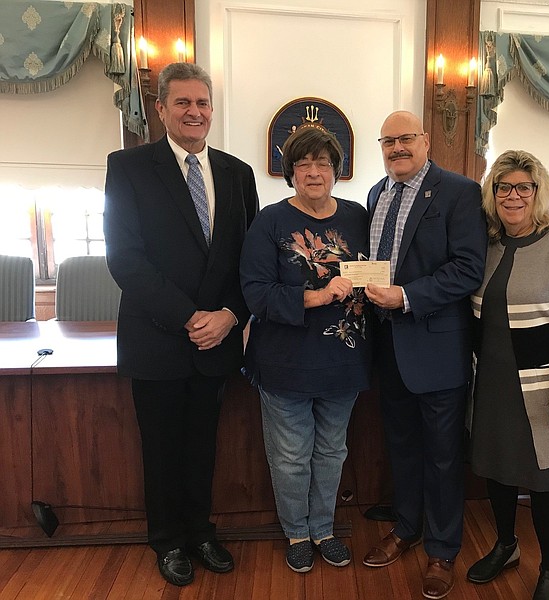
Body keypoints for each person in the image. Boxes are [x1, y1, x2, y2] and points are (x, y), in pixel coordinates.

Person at [103, 62, 258, 586]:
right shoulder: (128, 168)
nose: (195, 112)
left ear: (212, 109)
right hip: (158, 337)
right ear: (162, 108)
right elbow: (126, 260)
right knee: (161, 447)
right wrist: (192, 317)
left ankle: (200, 531)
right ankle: (167, 541)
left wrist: (231, 315)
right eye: (184, 103)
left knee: (203, 446)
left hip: (219, 340)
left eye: (203, 103)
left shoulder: (238, 174)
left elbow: (252, 261)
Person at [361, 111, 487, 600]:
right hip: (387, 348)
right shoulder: (377, 193)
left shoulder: (458, 192)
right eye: (388, 140)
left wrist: (406, 297)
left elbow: (468, 268)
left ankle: (442, 550)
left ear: (426, 140)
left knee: (442, 456)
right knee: (403, 448)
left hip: (436, 349)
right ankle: (406, 527)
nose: (397, 147)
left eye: (405, 138)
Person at [466, 150, 549, 600]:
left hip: (545, 390)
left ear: (539, 192)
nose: (514, 196)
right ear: (493, 193)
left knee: (546, 482)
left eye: (524, 187)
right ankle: (506, 546)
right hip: (493, 385)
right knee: (499, 473)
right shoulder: (487, 241)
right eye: (504, 187)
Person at [239, 125, 370, 573]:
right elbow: (255, 293)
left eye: (323, 163)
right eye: (303, 164)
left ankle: (324, 529)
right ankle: (296, 531)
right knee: (292, 455)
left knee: (332, 452)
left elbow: (376, 272)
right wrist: (318, 295)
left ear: (337, 170)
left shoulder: (358, 216)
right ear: (289, 172)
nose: (314, 172)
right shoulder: (270, 220)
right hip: (285, 361)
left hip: (343, 359)